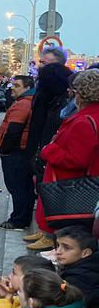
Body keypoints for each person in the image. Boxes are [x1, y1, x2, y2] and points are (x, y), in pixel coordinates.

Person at [29, 69, 99, 251]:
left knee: (72, 232)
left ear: (81, 94)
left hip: (72, 188)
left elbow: (76, 159)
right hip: (84, 185)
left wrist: (49, 150)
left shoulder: (84, 121)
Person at [0, 75, 36, 231]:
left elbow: (14, 130)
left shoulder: (23, 104)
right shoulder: (27, 102)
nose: (13, 87)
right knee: (23, 187)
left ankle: (18, 220)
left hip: (15, 152)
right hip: (21, 151)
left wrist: (4, 149)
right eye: (13, 84)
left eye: (17, 85)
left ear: (27, 88)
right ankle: (21, 218)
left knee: (17, 186)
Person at [55, 225, 99, 308]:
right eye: (58, 246)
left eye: (66, 248)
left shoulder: (81, 278)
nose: (58, 251)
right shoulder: (85, 267)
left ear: (85, 253)